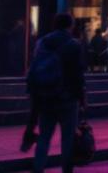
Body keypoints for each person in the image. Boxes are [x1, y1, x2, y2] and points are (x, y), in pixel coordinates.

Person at [27, 13, 88, 173]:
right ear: (70, 25)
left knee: (44, 136)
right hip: (67, 97)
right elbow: (78, 74)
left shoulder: (42, 42)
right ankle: (66, 169)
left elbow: (36, 67)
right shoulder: (74, 44)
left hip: (45, 96)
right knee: (67, 138)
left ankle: (38, 167)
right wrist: (82, 99)